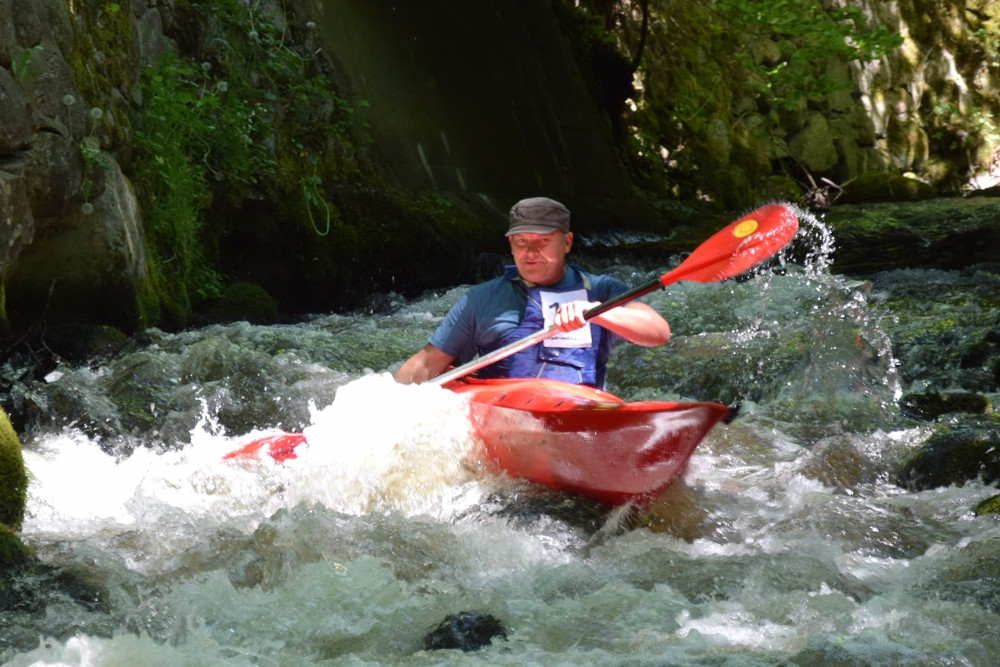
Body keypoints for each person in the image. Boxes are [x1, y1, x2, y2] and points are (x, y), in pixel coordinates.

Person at [393, 197, 671, 387]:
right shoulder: (480, 299)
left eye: (543, 241)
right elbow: (426, 365)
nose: (530, 252)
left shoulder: (601, 289)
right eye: (521, 241)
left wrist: (596, 312)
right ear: (510, 244)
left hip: (582, 410)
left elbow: (658, 333)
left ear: (567, 242)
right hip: (505, 416)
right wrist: (382, 400)